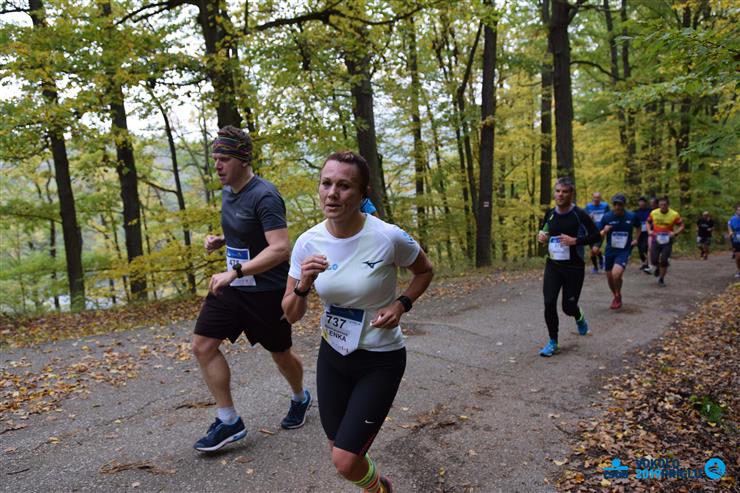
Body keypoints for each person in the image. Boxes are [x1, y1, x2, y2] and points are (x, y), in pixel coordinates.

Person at [282, 151, 433, 493]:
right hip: (333, 355)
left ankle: (381, 489)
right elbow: (290, 313)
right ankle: (376, 487)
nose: (332, 193)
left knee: (345, 460)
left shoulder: (388, 237)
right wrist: (304, 285)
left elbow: (425, 270)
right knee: (337, 448)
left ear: (363, 193)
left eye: (344, 186)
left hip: (380, 359)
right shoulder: (308, 242)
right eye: (326, 183)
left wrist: (402, 304)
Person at [191, 126, 311, 452]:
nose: (217, 165)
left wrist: (235, 271)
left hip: (267, 293)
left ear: (243, 160)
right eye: (215, 158)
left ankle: (300, 397)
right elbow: (249, 230)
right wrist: (223, 240)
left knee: (281, 354)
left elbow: (280, 248)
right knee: (202, 345)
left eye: (224, 159)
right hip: (234, 289)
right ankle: (229, 420)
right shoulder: (229, 191)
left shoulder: (265, 195)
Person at [536, 177, 601, 357]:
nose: (560, 195)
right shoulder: (550, 213)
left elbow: (596, 236)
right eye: (558, 191)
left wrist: (575, 241)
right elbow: (544, 232)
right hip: (553, 265)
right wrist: (542, 238)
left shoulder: (579, 214)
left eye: (564, 192)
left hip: (574, 268)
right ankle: (553, 341)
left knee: (568, 307)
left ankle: (578, 316)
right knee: (549, 302)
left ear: (571, 194)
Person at [598, 194, 641, 309]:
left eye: (620, 204)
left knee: (616, 274)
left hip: (624, 251)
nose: (617, 206)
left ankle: (617, 295)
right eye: (615, 204)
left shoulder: (631, 216)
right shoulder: (607, 217)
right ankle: (617, 295)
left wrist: (636, 239)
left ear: (624, 205)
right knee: (610, 277)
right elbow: (599, 234)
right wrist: (604, 232)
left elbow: (639, 227)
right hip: (610, 250)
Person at [646, 196, 685, 287]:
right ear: (658, 205)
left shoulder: (674, 214)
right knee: (653, 260)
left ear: (668, 205)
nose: (663, 206)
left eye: (665, 205)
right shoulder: (654, 213)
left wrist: (675, 233)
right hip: (656, 239)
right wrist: (649, 231)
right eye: (661, 205)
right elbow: (648, 222)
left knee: (664, 260)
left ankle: (661, 279)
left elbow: (682, 226)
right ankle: (658, 267)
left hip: (667, 240)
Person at [585, 192, 610, 273]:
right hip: (590, 231)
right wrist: (589, 217)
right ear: (592, 198)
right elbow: (584, 218)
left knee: (595, 249)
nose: (596, 199)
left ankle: (601, 259)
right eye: (595, 197)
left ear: (600, 198)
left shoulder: (605, 206)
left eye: (598, 197)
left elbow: (609, 216)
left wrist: (607, 227)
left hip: (601, 231)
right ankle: (596, 266)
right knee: (592, 252)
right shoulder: (588, 206)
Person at [634, 197, 651, 272]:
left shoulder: (650, 211)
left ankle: (646, 263)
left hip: (648, 232)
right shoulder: (636, 212)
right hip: (639, 232)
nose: (641, 204)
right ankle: (645, 262)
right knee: (640, 250)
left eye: (642, 203)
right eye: (640, 203)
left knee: (646, 247)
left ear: (645, 203)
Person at [728, 205, 740, 278]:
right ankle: (739, 271)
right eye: (739, 210)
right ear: (736, 211)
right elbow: (729, 226)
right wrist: (730, 231)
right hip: (736, 239)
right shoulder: (732, 219)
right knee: (738, 257)